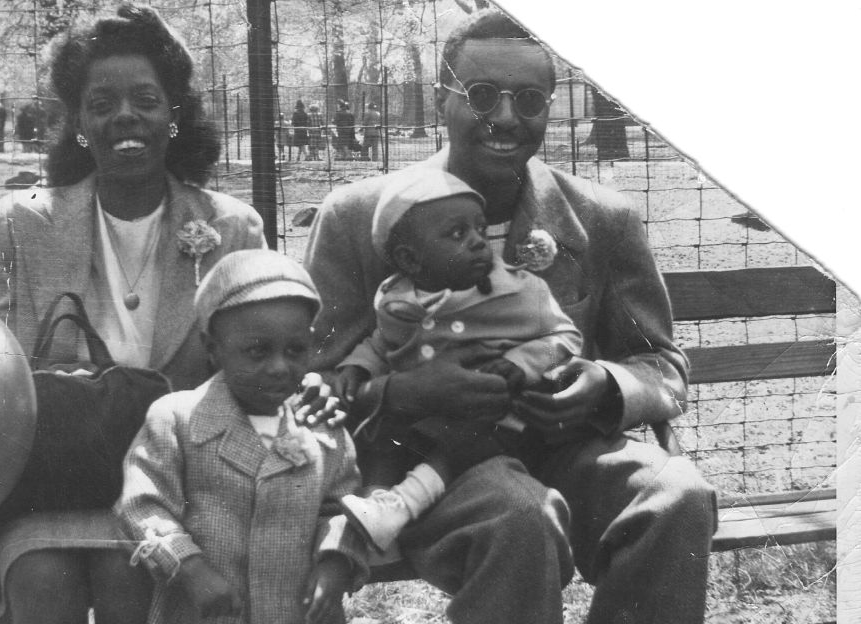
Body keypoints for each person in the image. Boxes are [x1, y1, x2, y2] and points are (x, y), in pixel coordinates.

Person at [304, 9, 716, 624]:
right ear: (443, 100)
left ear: (551, 106)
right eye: (481, 94)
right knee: (520, 516)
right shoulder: (357, 217)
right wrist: (402, 391)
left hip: (566, 445)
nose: (504, 117)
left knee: (677, 496)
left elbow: (661, 363)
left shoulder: (600, 219)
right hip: (427, 459)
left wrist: (605, 386)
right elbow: (312, 377)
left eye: (528, 99)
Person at [0, 7, 274, 624]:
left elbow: (263, 362)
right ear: (79, 122)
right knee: (40, 579)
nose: (125, 117)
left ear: (174, 115)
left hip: (179, 480)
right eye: (101, 103)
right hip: (57, 478)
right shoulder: (19, 226)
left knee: (129, 576)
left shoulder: (231, 228)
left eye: (146, 99)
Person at [334, 168, 582, 553]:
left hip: (493, 419)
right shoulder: (396, 300)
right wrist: (358, 365)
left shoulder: (520, 291)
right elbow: (382, 342)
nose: (478, 243)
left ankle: (403, 505)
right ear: (410, 261)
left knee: (461, 443)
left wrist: (521, 362)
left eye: (480, 231)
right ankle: (372, 511)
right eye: (457, 234)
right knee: (384, 438)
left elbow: (566, 337)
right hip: (417, 417)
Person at [119, 249, 367, 624]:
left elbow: (341, 506)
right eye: (257, 352)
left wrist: (335, 561)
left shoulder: (319, 424)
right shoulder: (177, 419)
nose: (280, 367)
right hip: (207, 611)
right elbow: (142, 506)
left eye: (295, 350)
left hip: (295, 611)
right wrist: (189, 567)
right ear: (213, 349)